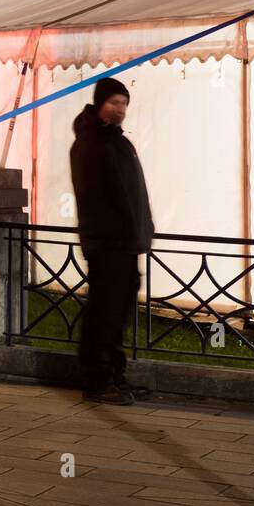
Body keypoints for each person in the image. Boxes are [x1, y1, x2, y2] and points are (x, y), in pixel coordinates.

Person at [70, 77, 155, 406]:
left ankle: (115, 376)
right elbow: (94, 198)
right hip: (108, 243)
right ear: (99, 104)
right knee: (104, 311)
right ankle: (97, 380)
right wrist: (115, 233)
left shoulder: (117, 142)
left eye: (123, 103)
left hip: (125, 241)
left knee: (118, 311)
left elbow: (134, 191)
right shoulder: (92, 143)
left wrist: (142, 227)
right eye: (113, 102)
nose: (119, 109)